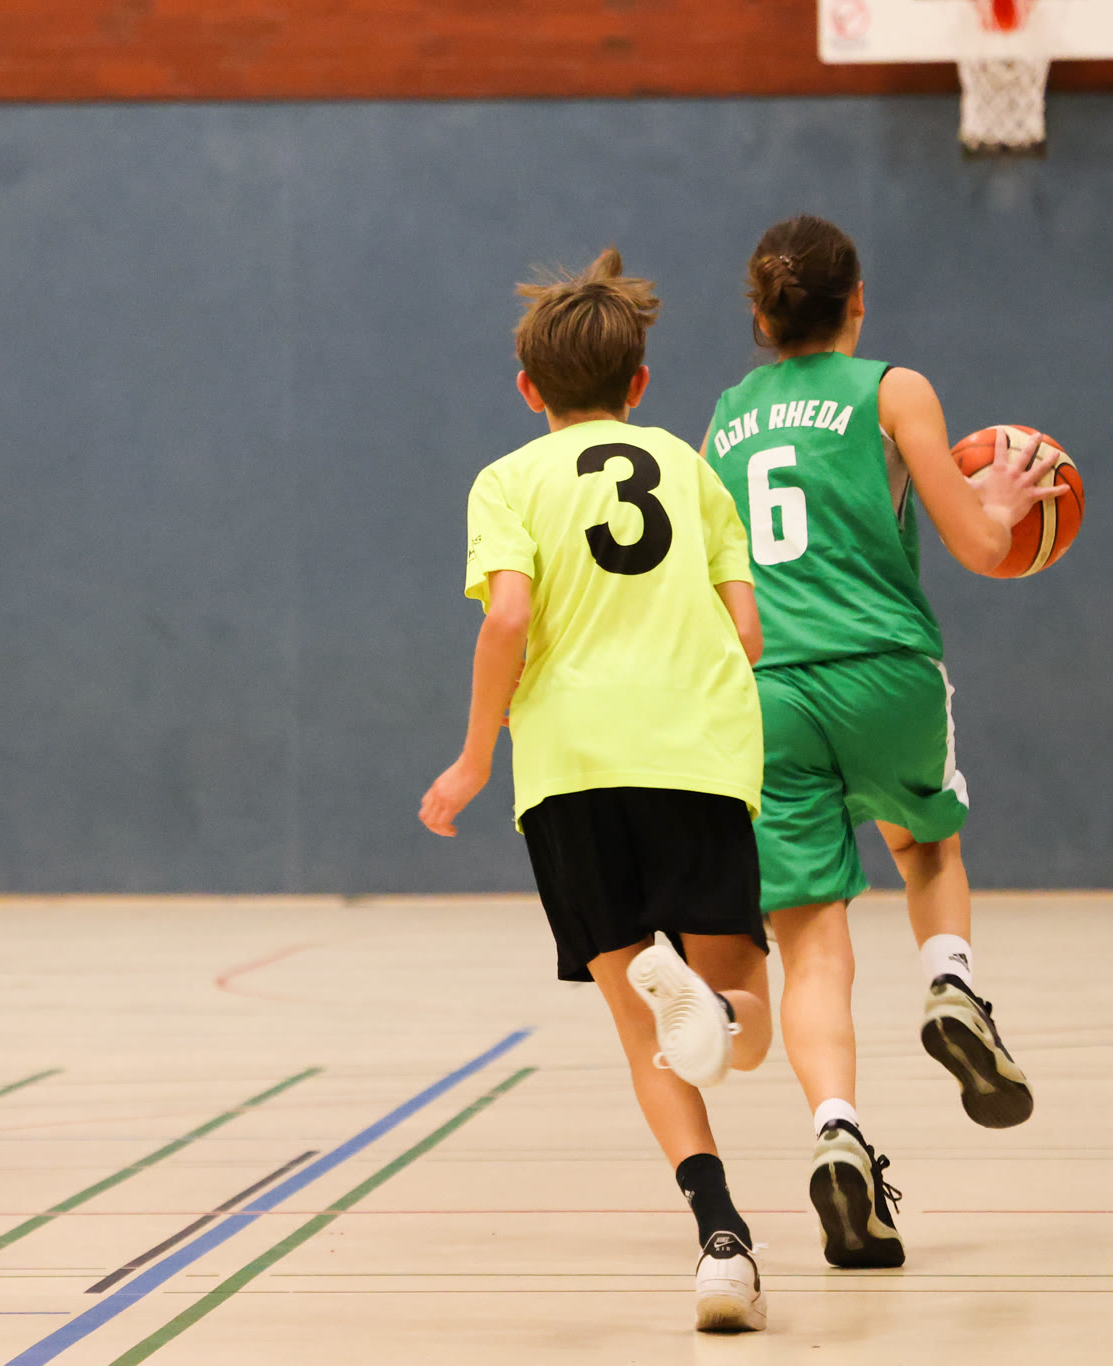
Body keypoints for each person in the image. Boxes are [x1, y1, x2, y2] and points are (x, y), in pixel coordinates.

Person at [420, 249, 774, 1332]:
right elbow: (747, 633)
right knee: (749, 1029)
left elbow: (508, 618)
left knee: (642, 1029)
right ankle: (715, 1004)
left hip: (571, 769)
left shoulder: (505, 481)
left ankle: (722, 1243)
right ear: (641, 383)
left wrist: (474, 757)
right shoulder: (690, 468)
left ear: (528, 388)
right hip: (696, 754)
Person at [698, 214, 1061, 1269]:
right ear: (857, 302)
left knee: (812, 940)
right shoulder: (894, 390)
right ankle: (951, 984)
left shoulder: (725, 416)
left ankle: (837, 1132)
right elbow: (982, 546)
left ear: (760, 314)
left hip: (767, 691)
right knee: (926, 843)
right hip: (884, 671)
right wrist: (1001, 501)